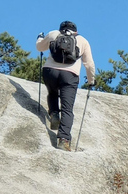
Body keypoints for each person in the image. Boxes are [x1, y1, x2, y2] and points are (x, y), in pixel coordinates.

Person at [36, 21, 95, 151]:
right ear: (76, 31)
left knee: (52, 93)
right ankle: (63, 140)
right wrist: (91, 81)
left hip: (50, 71)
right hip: (70, 75)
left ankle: (54, 114)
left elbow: (40, 47)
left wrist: (40, 38)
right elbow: (89, 64)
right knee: (67, 109)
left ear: (61, 29)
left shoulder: (53, 34)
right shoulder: (82, 40)